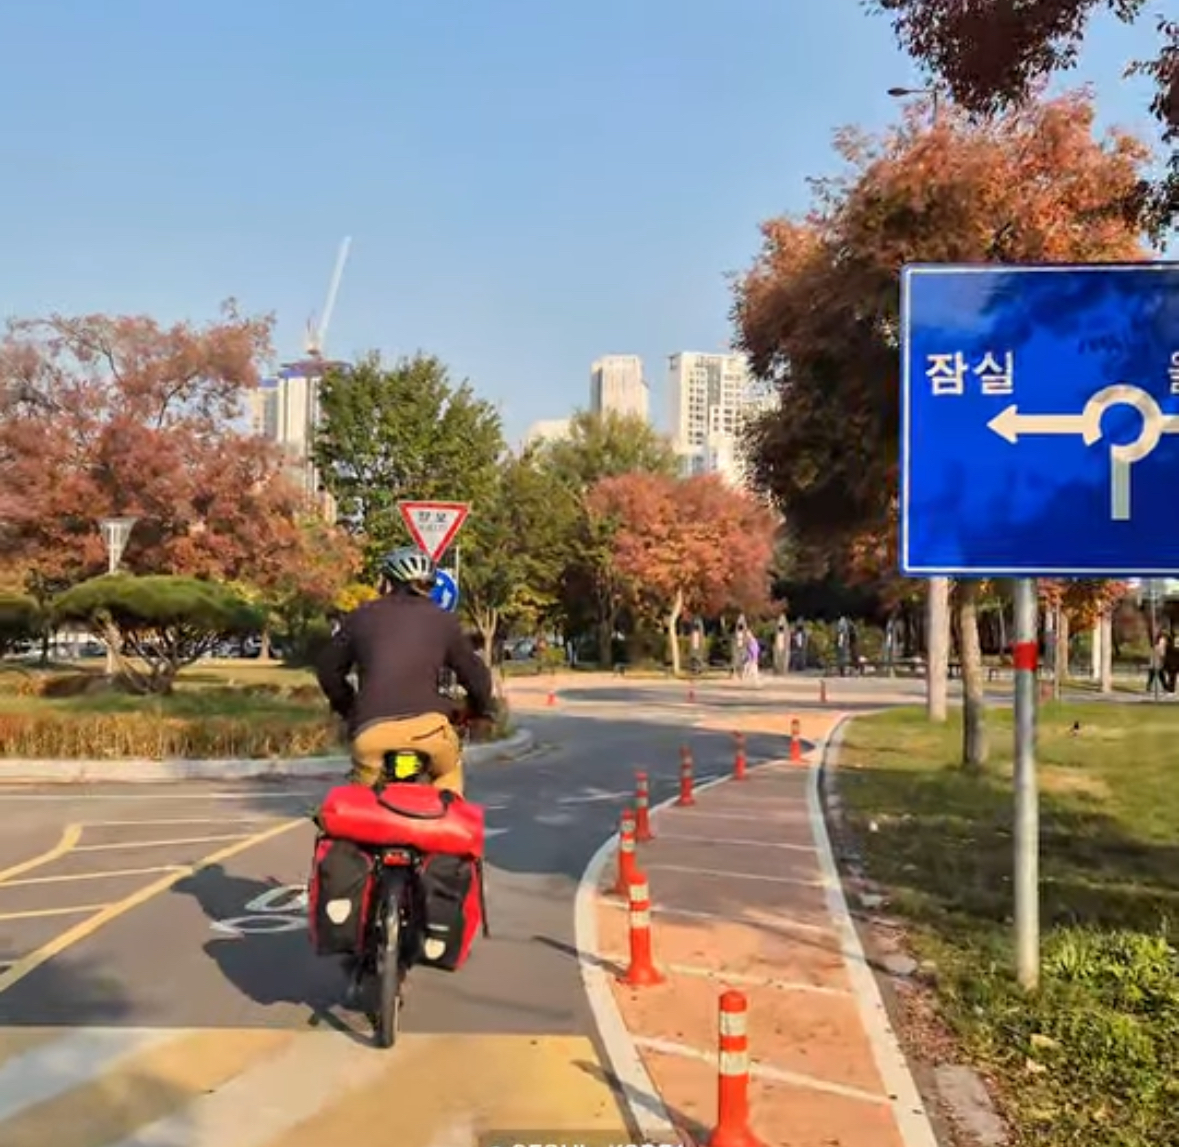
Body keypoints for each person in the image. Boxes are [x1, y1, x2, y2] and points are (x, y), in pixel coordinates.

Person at [314, 546, 496, 795]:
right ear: (429, 586)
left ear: (387, 582)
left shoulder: (361, 617)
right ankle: (441, 824)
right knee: (448, 778)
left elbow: (328, 670)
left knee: (360, 801)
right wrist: (481, 710)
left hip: (371, 733)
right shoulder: (443, 621)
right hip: (430, 734)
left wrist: (349, 707)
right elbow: (476, 677)